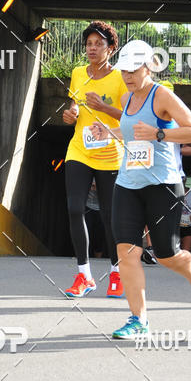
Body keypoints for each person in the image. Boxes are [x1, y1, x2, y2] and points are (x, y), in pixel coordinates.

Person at [91, 40, 191, 338]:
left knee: (166, 254)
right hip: (127, 183)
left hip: (162, 185)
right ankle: (139, 320)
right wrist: (109, 132)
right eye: (124, 71)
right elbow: (133, 130)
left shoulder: (163, 96)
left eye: (134, 70)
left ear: (149, 67)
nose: (128, 76)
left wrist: (160, 133)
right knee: (127, 252)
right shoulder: (127, 99)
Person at [62, 21, 127, 298]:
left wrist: (103, 107)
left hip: (111, 154)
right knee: (75, 209)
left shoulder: (122, 77)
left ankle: (116, 272)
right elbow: (74, 103)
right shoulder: (78, 73)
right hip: (79, 150)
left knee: (110, 217)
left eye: (98, 44)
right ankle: (84, 276)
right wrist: (71, 113)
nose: (92, 48)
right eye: (89, 43)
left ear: (111, 49)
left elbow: (130, 117)